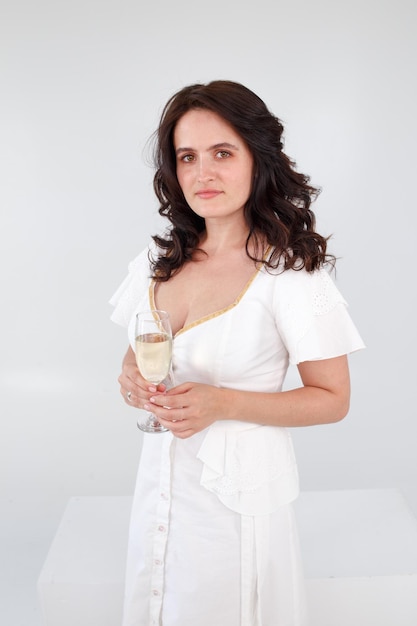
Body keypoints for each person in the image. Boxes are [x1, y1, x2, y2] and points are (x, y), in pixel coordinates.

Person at [110, 80, 365, 626]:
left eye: (222, 153)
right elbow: (138, 352)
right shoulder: (159, 263)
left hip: (235, 506)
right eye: (187, 157)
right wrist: (130, 373)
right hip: (158, 494)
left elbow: (333, 398)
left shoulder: (289, 272)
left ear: (257, 158)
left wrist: (221, 403)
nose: (204, 173)